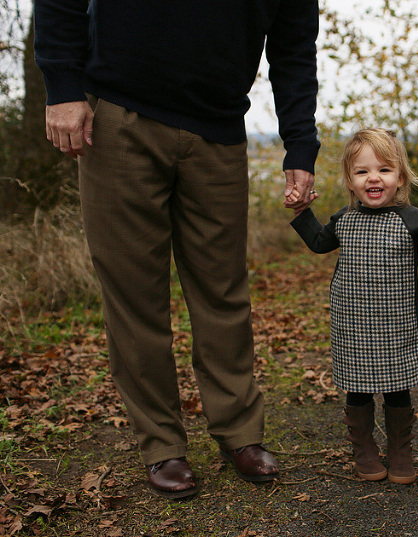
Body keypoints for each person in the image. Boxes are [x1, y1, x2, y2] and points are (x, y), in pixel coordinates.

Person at [34, 0, 321, 499]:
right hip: (120, 117)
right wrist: (61, 84)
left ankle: (240, 434)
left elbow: (294, 50)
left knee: (223, 293)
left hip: (220, 132)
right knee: (133, 294)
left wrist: (299, 144)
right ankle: (162, 445)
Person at [290, 128, 418, 484]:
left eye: (384, 169)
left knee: (398, 387)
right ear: (350, 181)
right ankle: (364, 450)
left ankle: (400, 451)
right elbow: (319, 243)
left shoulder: (411, 218)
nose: (374, 177)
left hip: (396, 324)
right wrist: (303, 210)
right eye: (362, 171)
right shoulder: (344, 219)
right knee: (359, 386)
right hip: (351, 321)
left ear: (400, 178)